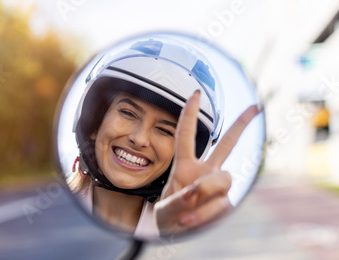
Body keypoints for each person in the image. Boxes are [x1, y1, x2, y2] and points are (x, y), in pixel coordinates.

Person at [67, 38, 259, 239]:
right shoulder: (47, 215)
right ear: (94, 125)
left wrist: (193, 238)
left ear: (177, 156)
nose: (140, 139)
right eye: (128, 113)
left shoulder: (181, 232)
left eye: (166, 131)